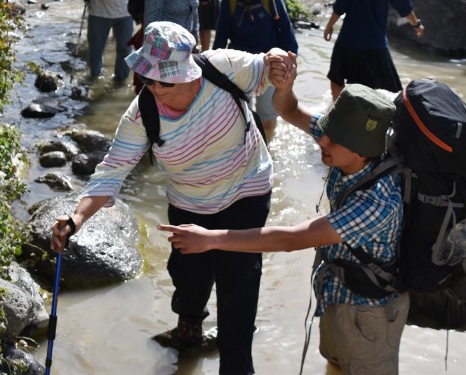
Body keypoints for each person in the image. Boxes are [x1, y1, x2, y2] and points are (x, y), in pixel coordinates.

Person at [51, 21, 290, 375]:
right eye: (148, 78)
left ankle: (237, 366)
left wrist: (278, 61)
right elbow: (112, 170)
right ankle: (190, 323)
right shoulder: (142, 114)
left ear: (189, 70)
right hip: (189, 202)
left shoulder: (223, 68)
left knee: (238, 289)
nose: (155, 87)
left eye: (165, 79)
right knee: (189, 277)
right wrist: (77, 219)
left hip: (246, 191)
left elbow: (269, 66)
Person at [159, 72, 409, 375]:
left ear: (361, 150)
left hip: (369, 312)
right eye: (325, 131)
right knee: (336, 365)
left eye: (332, 139)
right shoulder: (346, 140)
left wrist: (211, 238)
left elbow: (293, 239)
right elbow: (289, 110)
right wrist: (285, 86)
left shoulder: (376, 202)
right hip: (339, 295)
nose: (322, 140)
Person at [214, 0, 298, 139]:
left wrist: (291, 63)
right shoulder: (229, 0)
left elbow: (286, 32)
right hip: (239, 64)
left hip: (270, 65)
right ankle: (247, 148)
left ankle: (267, 149)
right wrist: (213, 68)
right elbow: (220, 37)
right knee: (240, 117)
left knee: (267, 117)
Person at [130, 0, 204, 93]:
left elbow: (194, 14)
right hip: (162, 52)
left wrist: (195, 45)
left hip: (185, 51)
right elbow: (150, 24)